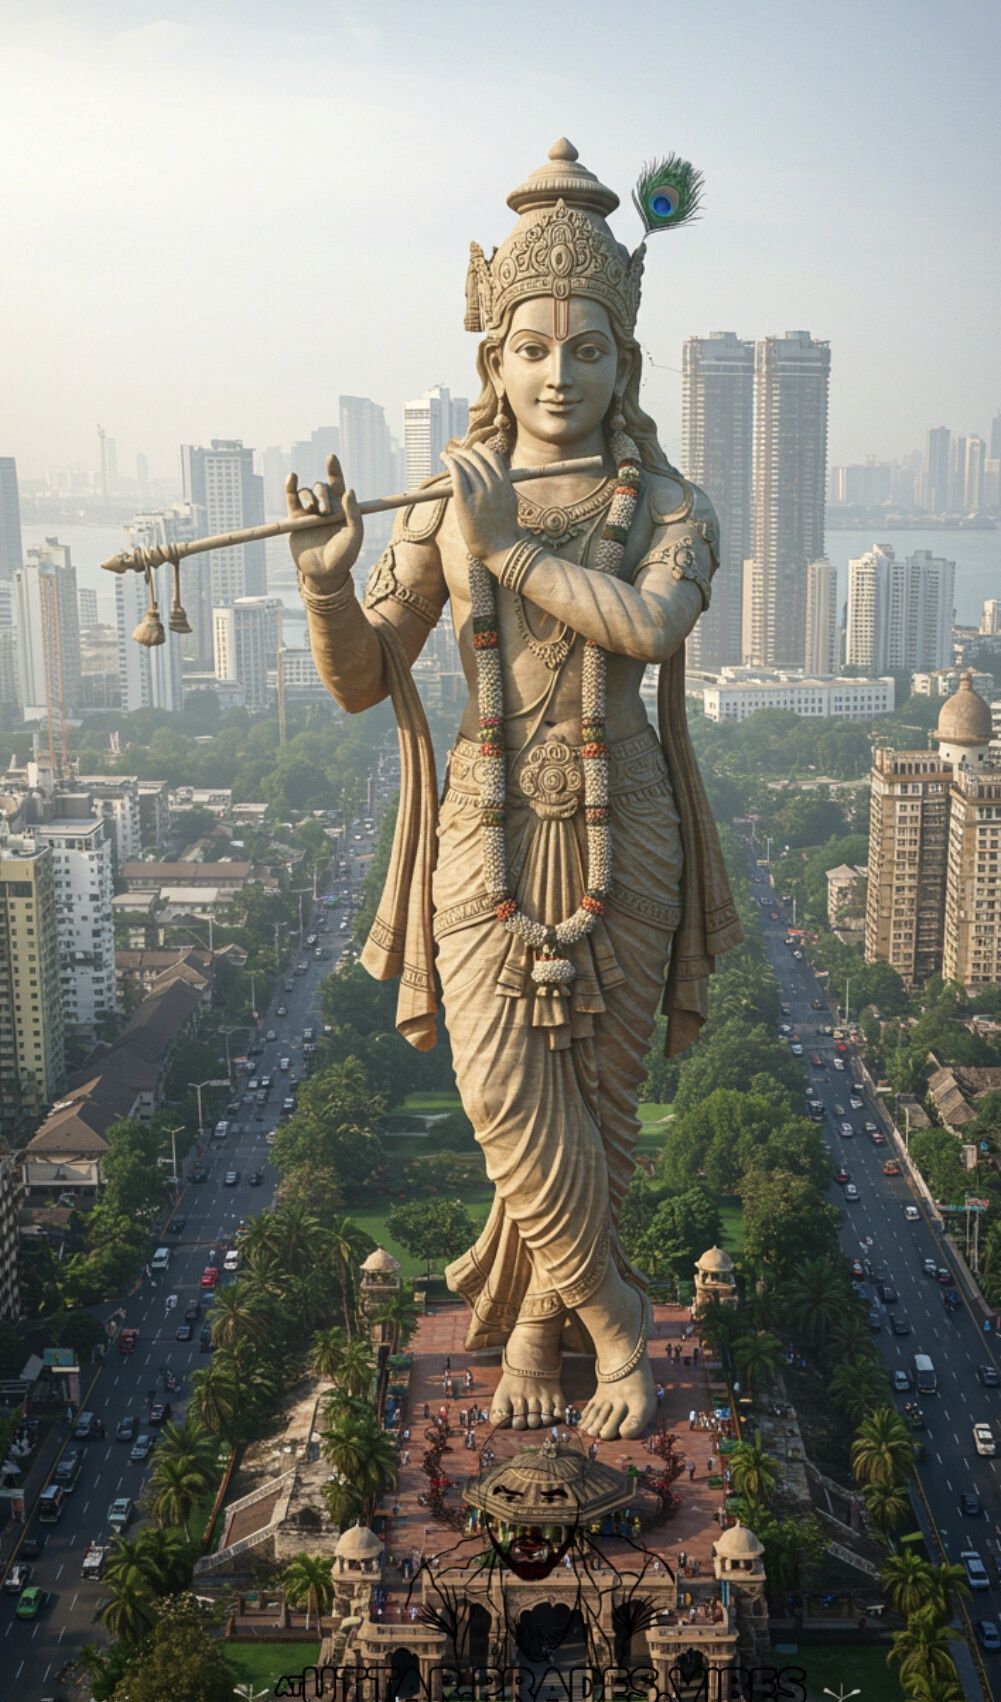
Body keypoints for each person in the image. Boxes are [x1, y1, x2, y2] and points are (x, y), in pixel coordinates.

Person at [295, 140, 736, 1446]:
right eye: (530, 349)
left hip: (624, 832)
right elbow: (368, 677)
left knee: (599, 1105)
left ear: (623, 364)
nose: (558, 374)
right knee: (501, 1095)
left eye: (584, 350)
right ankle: (616, 1328)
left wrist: (506, 543)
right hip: (482, 835)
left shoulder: (667, 503)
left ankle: (545, 1329)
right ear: (494, 362)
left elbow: (653, 628)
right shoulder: (443, 505)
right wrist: (328, 581)